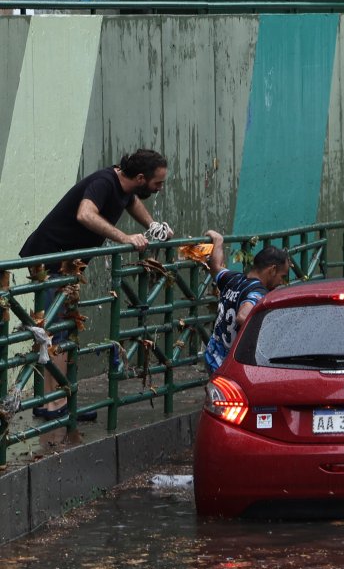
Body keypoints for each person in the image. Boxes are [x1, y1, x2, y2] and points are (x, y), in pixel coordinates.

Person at [20, 149, 173, 421]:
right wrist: (125, 237)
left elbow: (131, 200)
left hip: (68, 264)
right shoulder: (104, 182)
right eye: (157, 183)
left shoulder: (123, 185)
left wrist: (153, 225)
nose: (160, 188)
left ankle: (60, 402)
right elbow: (85, 214)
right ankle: (49, 405)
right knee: (55, 333)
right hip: (51, 260)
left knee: (64, 330)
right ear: (140, 177)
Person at [203, 230, 291, 374]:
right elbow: (242, 316)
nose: (281, 282)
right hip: (230, 365)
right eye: (282, 276)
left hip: (213, 356)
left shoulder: (233, 279)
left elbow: (215, 267)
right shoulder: (258, 292)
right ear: (272, 270)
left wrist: (218, 241)